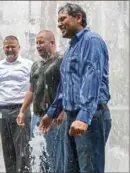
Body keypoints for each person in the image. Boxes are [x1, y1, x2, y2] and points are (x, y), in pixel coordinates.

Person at [39, 3, 112, 173]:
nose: (59, 24)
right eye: (58, 20)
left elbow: (92, 77)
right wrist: (51, 113)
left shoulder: (91, 41)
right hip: (72, 118)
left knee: (89, 170)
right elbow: (65, 87)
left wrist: (84, 116)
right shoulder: (71, 48)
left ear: (78, 18)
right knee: (70, 169)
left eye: (63, 18)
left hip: (90, 117)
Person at [17, 30, 64, 173]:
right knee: (38, 157)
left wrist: (62, 110)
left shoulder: (61, 60)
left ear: (52, 43)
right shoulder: (36, 65)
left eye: (41, 42)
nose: (38, 45)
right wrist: (22, 110)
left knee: (54, 157)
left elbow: (67, 87)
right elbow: (31, 90)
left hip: (54, 117)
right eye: (37, 42)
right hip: (37, 117)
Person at [0, 35, 33, 173]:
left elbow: (34, 90)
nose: (9, 49)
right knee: (7, 150)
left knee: (23, 150)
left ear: (19, 47)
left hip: (21, 109)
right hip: (3, 111)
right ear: (3, 48)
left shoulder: (28, 65)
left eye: (12, 46)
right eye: (7, 47)